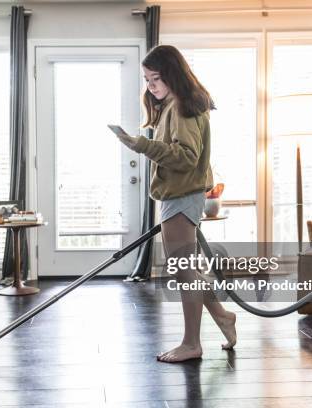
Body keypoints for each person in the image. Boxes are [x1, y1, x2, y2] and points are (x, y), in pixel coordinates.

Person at [114, 45, 237, 363]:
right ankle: (223, 316)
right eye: (147, 79)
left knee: (183, 270)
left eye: (156, 78)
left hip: (183, 194)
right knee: (187, 269)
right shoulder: (173, 104)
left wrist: (142, 145)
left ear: (173, 75)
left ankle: (192, 343)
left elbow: (186, 157)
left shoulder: (182, 106)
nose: (151, 85)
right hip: (178, 194)